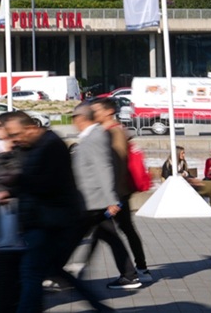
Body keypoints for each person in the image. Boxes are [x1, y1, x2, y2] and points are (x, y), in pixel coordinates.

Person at [0, 111, 113, 313]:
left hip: (50, 221)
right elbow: (32, 178)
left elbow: (46, 184)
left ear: (30, 128)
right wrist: (12, 189)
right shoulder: (34, 146)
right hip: (43, 219)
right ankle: (100, 307)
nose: (14, 140)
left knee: (31, 272)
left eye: (16, 135)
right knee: (50, 269)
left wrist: (16, 181)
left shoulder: (51, 145)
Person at [68, 104, 141, 289]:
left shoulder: (99, 135)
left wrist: (112, 199)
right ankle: (130, 274)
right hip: (97, 198)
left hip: (97, 198)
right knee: (109, 235)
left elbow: (105, 167)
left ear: (80, 119)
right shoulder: (96, 135)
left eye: (73, 118)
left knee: (74, 235)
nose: (73, 122)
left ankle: (56, 271)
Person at [90, 97, 151, 282]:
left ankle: (136, 271)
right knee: (118, 229)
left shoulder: (115, 131)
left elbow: (117, 164)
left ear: (109, 111)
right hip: (116, 191)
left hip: (117, 192)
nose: (94, 113)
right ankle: (140, 269)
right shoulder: (109, 130)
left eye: (97, 110)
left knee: (112, 229)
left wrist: (113, 196)